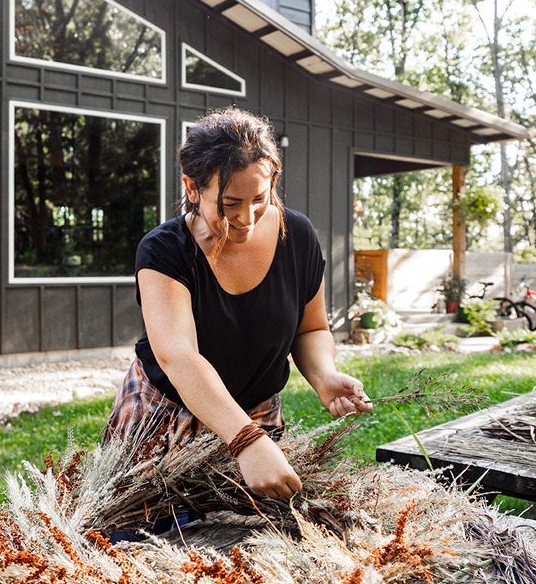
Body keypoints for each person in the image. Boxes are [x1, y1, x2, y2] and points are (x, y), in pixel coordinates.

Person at [104, 107, 372, 501]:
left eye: (259, 198)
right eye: (230, 203)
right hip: (165, 415)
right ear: (193, 188)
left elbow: (310, 328)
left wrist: (323, 375)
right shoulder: (164, 250)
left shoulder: (295, 235)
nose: (246, 217)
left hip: (257, 414)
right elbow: (178, 356)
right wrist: (245, 439)